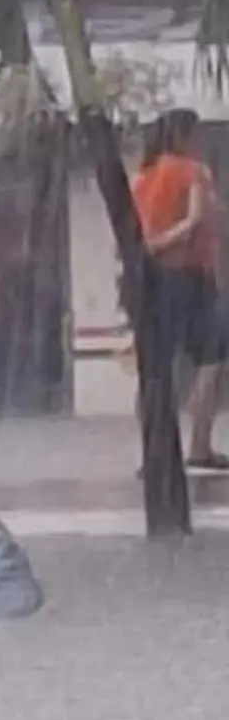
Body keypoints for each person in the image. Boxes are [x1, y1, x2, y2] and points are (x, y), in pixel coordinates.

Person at [131, 108, 229, 470]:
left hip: (151, 280)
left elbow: (135, 229)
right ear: (184, 135)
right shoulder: (193, 171)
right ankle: (199, 446)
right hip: (188, 277)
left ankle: (152, 454)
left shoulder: (143, 175)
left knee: (157, 365)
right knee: (212, 358)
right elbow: (197, 219)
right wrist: (165, 241)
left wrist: (149, 248)